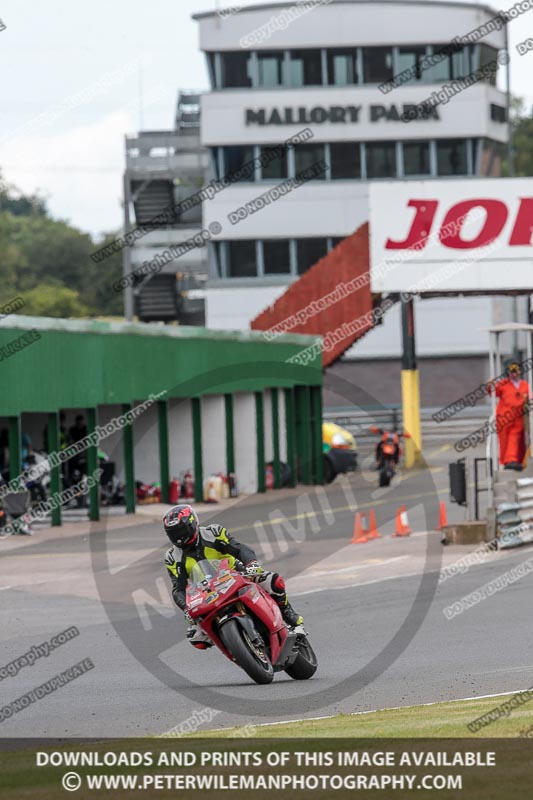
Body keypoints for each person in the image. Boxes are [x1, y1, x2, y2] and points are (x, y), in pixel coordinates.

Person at [163, 503, 303, 649]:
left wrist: (251, 564)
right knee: (197, 638)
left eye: (181, 531)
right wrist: (186, 607)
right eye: (173, 533)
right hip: (205, 592)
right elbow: (178, 588)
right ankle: (234, 646)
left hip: (235, 574)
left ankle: (289, 615)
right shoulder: (172, 557)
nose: (179, 537)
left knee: (272, 581)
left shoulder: (213, 532)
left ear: (193, 523)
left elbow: (239, 548)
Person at [487, 359, 531, 470]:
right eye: (511, 371)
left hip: (519, 418)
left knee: (515, 438)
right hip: (504, 417)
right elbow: (493, 392)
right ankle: (507, 461)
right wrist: (490, 385)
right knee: (505, 440)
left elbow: (529, 399)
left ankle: (513, 460)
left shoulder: (525, 385)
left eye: (516, 370)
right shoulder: (503, 384)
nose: (514, 373)